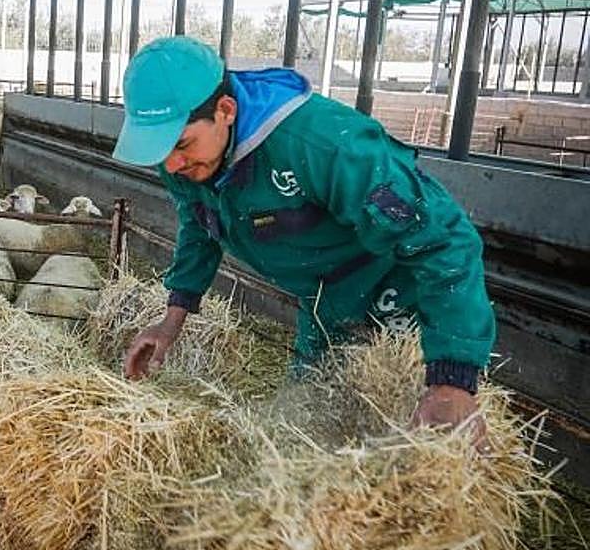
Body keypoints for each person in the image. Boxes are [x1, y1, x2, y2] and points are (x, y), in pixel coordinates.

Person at [114, 36, 495, 444]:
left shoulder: (323, 144)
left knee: (416, 440)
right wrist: (171, 322)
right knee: (303, 433)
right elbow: (199, 222)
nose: (171, 164)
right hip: (324, 304)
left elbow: (443, 239)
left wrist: (452, 378)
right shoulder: (186, 163)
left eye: (181, 145)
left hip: (401, 300)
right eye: (160, 151)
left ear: (225, 111)